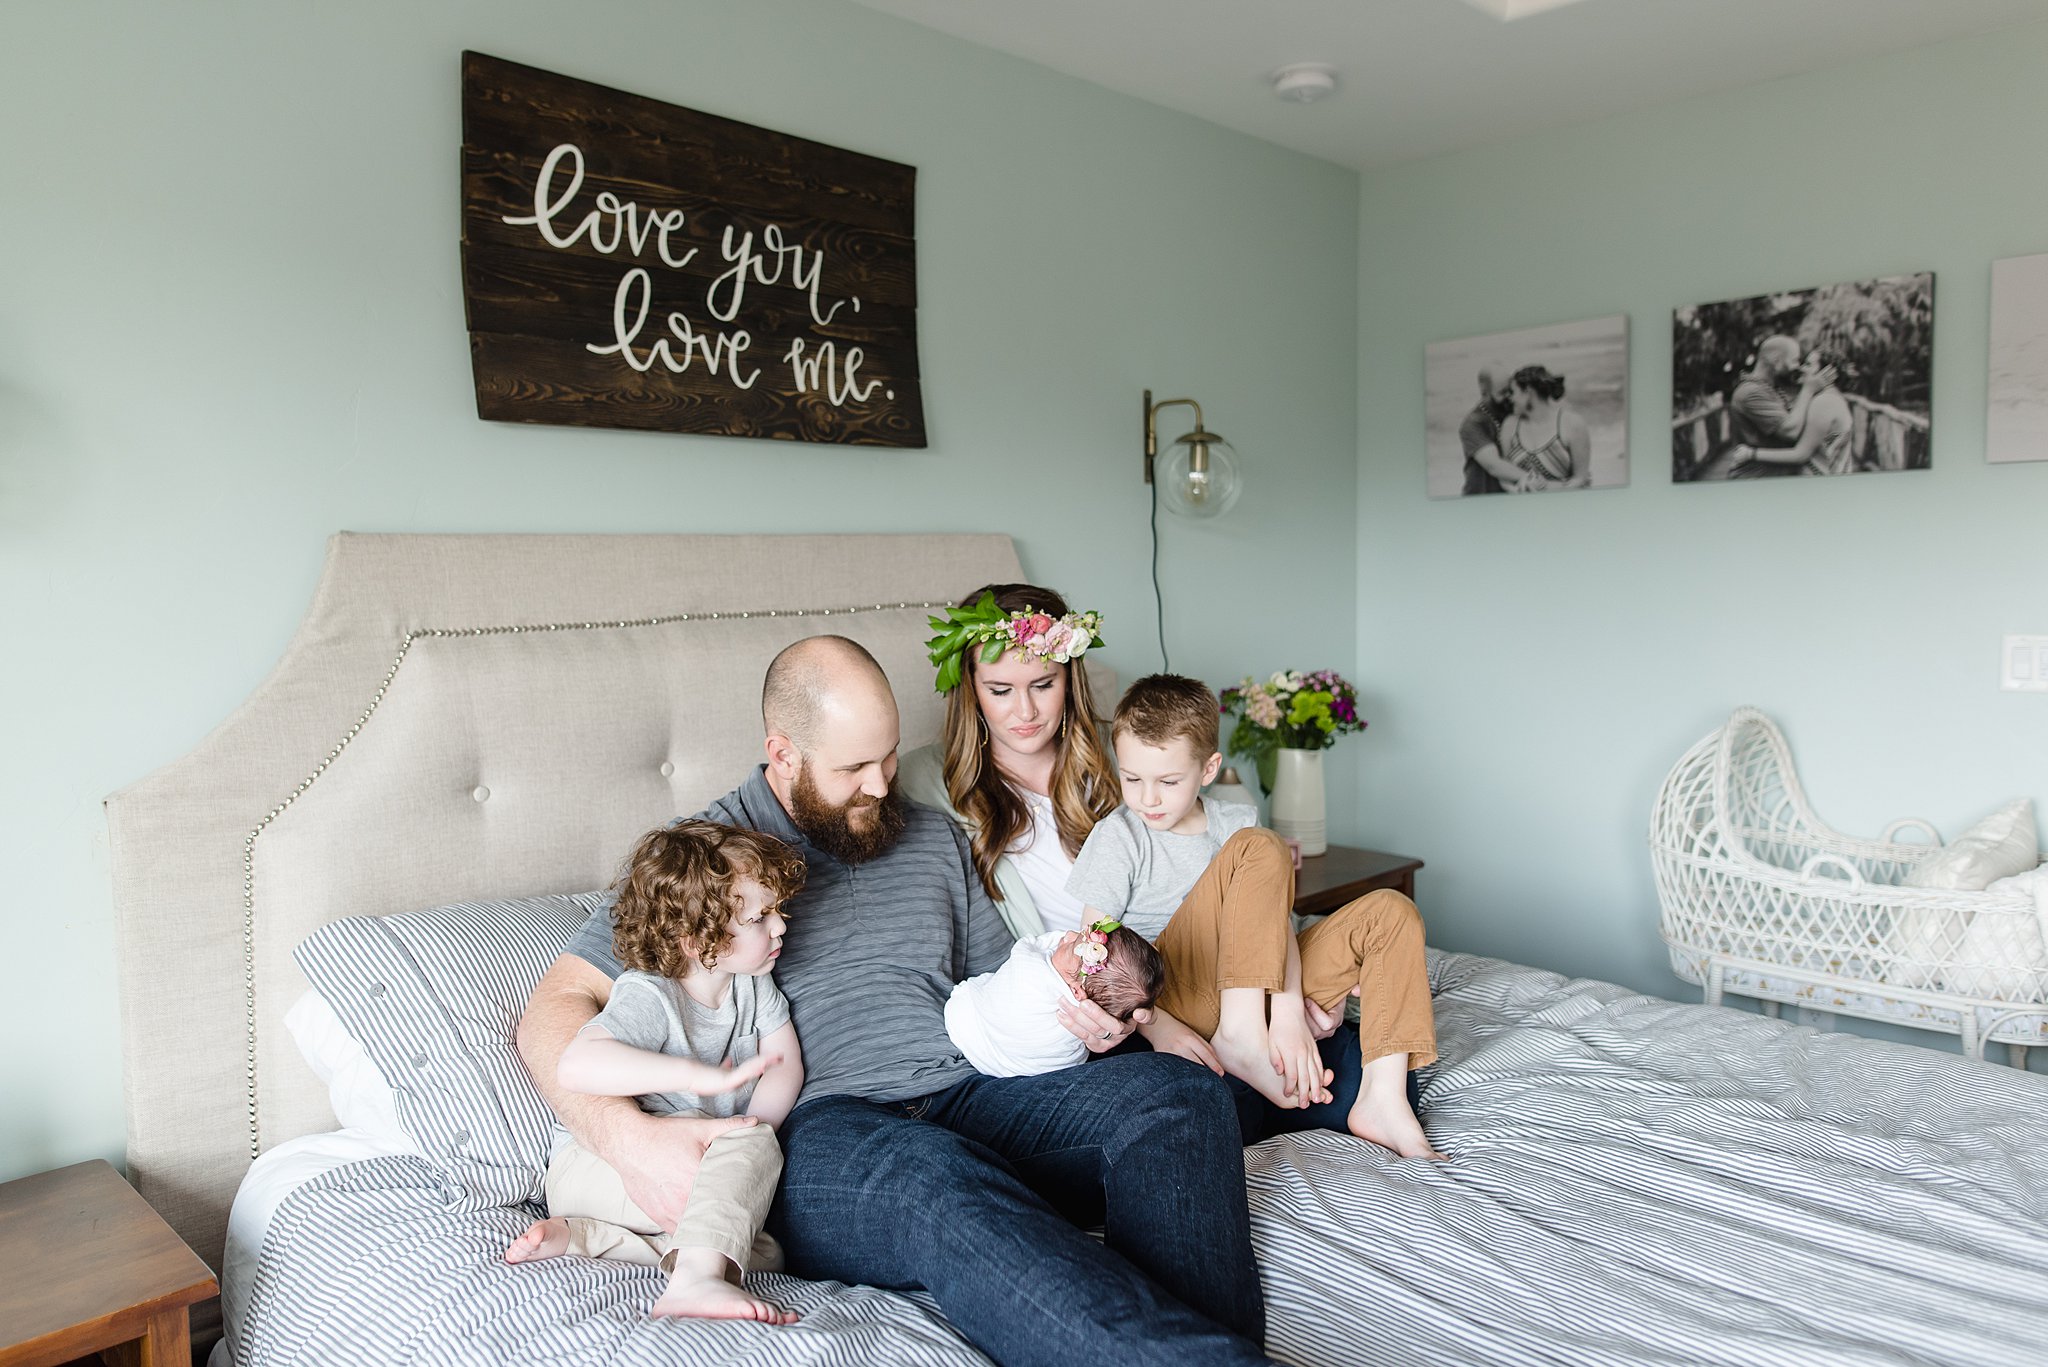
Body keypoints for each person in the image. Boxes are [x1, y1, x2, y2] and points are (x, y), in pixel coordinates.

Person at [517, 636, 1273, 1367]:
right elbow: (556, 1007)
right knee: (932, 1176)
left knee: (1176, 1093)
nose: (883, 785)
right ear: (783, 751)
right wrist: (627, 1140)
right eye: (854, 767)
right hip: (824, 1134)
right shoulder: (708, 860)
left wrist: (1076, 1019)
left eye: (888, 755)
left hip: (973, 1088)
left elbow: (999, 991)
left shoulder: (935, 839)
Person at [1069, 674, 1442, 1159]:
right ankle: (1243, 1040)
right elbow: (1094, 956)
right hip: (1176, 993)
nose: (1148, 798)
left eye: (1168, 781)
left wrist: (1289, 1014)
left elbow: (1276, 928)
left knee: (1391, 911)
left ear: (1208, 769)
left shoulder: (1234, 821)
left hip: (1257, 989)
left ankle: (1383, 1099)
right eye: (1132, 778)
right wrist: (1159, 1027)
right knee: (1262, 847)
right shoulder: (1119, 837)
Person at [504, 820, 806, 1324]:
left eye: (777, 911)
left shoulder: (753, 985)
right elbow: (577, 1065)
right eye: (759, 918)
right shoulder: (649, 993)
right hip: (604, 1170)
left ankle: (583, 1239)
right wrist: (691, 1077)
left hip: (682, 1180)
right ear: (694, 939)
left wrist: (748, 1136)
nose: (779, 927)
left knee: (766, 1254)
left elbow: (785, 1065)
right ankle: (697, 1281)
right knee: (731, 1221)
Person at [896, 583, 1122, 939]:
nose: (1026, 711)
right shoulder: (922, 781)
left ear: (1068, 682)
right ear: (970, 691)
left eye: (1043, 685)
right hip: (1053, 980)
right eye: (1000, 691)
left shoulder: (1123, 750)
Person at [946, 919, 1165, 1077]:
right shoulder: (1090, 1012)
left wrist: (1060, 942)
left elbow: (1028, 944)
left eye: (1071, 945)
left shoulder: (1030, 967)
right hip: (1018, 1072)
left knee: (967, 1000)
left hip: (965, 1025)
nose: (1067, 935)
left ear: (1078, 992)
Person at [1711, 335, 1839, 480]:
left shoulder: (1768, 387)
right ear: (1776, 361)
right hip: (1756, 481)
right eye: (1794, 361)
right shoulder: (1751, 392)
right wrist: (1808, 390)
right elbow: (1791, 431)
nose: (1797, 367)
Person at [1729, 347, 1854, 477]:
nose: (1801, 368)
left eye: (1808, 365)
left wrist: (1751, 454)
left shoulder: (1824, 402)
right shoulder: (1827, 397)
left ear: (1826, 372)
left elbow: (1800, 454)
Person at [1497, 364, 1592, 491]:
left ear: (1528, 391)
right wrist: (1520, 490)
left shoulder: (1572, 424)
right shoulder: (1510, 425)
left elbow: (1581, 480)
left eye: (1513, 392)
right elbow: (1504, 477)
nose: (1510, 398)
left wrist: (1545, 488)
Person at [1458, 362, 1526, 495]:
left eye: (1510, 391)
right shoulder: (1473, 423)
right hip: (1481, 498)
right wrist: (1535, 479)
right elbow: (1494, 466)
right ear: (1484, 392)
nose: (1509, 397)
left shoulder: (1513, 412)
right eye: (1502, 392)